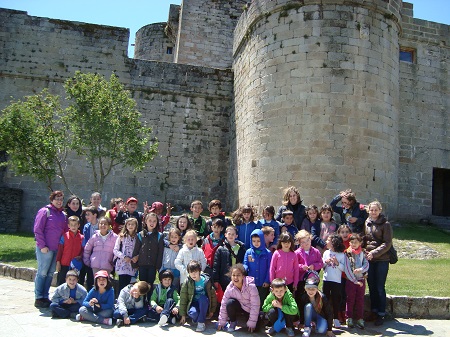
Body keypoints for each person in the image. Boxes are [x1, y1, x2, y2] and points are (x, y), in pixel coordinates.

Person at [33, 190, 67, 308]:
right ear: (52, 200)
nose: (59, 201)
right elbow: (38, 229)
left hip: (56, 249)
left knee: (50, 273)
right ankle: (38, 297)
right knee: (42, 272)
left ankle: (45, 296)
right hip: (45, 249)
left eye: (61, 199)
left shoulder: (63, 215)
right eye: (57, 199)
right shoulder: (45, 212)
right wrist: (42, 246)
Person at [364, 200, 393, 326]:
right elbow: (365, 238)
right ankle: (374, 311)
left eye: (376, 210)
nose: (373, 212)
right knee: (371, 286)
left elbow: (387, 243)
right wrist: (364, 250)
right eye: (371, 210)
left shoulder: (386, 224)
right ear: (368, 211)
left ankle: (381, 313)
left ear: (380, 210)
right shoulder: (367, 222)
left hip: (382, 259)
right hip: (369, 258)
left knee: (380, 287)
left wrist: (374, 253)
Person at [217, 263, 260, 332]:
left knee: (255, 329)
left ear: (243, 276)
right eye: (233, 275)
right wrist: (221, 322)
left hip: (249, 309)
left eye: (238, 275)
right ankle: (233, 322)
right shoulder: (230, 288)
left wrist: (252, 323)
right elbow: (224, 304)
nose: (235, 277)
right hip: (238, 307)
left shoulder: (251, 286)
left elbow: (255, 305)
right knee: (229, 303)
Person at [179, 260, 217, 332]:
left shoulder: (206, 281)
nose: (193, 274)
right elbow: (183, 298)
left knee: (202, 298)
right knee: (192, 313)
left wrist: (212, 310)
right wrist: (183, 315)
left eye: (195, 272)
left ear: (200, 271)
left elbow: (213, 296)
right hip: (193, 303)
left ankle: (201, 323)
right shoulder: (187, 282)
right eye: (191, 272)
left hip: (204, 303)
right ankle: (198, 318)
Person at [132, 212, 164, 294]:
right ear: (146, 221)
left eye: (154, 221)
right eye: (150, 221)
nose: (152, 223)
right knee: (142, 284)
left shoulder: (159, 236)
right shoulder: (140, 234)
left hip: (152, 265)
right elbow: (136, 249)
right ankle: (142, 300)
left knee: (150, 283)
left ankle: (149, 301)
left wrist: (158, 265)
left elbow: (160, 252)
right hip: (142, 264)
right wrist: (134, 264)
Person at [343, 233, 369, 329]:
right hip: (351, 280)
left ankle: (359, 318)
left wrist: (361, 269)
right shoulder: (347, 253)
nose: (353, 244)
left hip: (361, 279)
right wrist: (354, 280)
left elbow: (366, 265)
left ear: (360, 243)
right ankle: (349, 317)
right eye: (352, 242)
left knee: (360, 299)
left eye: (356, 242)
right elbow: (347, 268)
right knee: (350, 299)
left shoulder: (363, 253)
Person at [243, 229, 271, 307]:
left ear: (262, 240)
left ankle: (261, 315)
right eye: (254, 241)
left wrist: (267, 280)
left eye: (258, 241)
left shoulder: (267, 253)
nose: (256, 243)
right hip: (252, 282)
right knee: (252, 300)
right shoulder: (248, 252)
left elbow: (270, 268)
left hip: (263, 282)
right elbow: (245, 264)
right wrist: (243, 270)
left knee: (262, 299)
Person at [322, 234, 346, 328]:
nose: (326, 242)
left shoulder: (341, 254)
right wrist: (325, 262)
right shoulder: (326, 253)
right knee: (326, 299)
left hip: (336, 280)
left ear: (333, 243)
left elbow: (344, 268)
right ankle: (326, 318)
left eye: (328, 240)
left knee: (336, 299)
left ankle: (336, 318)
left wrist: (337, 263)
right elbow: (322, 266)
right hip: (326, 279)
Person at [213, 225, 246, 292]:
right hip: (224, 279)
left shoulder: (241, 248)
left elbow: (243, 264)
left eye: (233, 234)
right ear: (225, 235)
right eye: (229, 234)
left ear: (236, 236)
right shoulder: (220, 249)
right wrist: (216, 280)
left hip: (237, 278)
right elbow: (216, 265)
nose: (231, 236)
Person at [294, 230, 323, 304]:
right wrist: (301, 267)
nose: (306, 243)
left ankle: (313, 312)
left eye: (307, 240)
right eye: (303, 242)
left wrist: (314, 266)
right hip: (301, 280)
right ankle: (301, 314)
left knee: (312, 298)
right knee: (300, 298)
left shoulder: (316, 251)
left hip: (312, 279)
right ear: (299, 243)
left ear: (310, 239)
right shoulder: (297, 253)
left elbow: (321, 263)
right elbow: (294, 265)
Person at [56, 215, 84, 286]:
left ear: (78, 225)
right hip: (64, 264)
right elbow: (60, 250)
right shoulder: (64, 236)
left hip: (75, 266)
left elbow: (83, 250)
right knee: (61, 283)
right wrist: (58, 262)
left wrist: (80, 256)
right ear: (68, 225)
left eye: (75, 225)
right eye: (71, 225)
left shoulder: (82, 238)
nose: (73, 227)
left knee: (73, 284)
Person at [113, 217, 139, 292]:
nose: (130, 226)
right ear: (126, 225)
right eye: (129, 224)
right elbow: (115, 250)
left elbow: (140, 250)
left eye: (132, 224)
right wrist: (124, 257)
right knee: (122, 283)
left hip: (132, 265)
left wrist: (137, 257)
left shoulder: (138, 238)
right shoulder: (121, 237)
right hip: (122, 264)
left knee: (130, 284)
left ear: (136, 226)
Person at [79, 206, 99, 291]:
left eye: (88, 214)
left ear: (94, 215)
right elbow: (85, 240)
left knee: (93, 274)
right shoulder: (86, 227)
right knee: (84, 271)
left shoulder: (100, 225)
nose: (86, 216)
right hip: (87, 251)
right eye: (86, 214)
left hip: (97, 252)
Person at [337, 224, 352, 323]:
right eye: (342, 232)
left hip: (349, 275)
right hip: (340, 274)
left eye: (347, 232)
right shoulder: (338, 244)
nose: (345, 234)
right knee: (340, 294)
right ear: (339, 234)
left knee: (348, 294)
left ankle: (346, 313)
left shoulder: (352, 243)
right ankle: (339, 313)